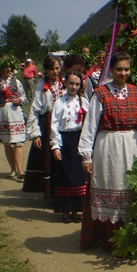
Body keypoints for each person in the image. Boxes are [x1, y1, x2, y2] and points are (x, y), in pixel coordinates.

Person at [78, 51, 137, 251]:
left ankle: (130, 239)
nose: (123, 73)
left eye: (127, 69)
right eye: (119, 69)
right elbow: (90, 125)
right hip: (107, 147)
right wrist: (86, 154)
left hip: (131, 145)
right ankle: (108, 238)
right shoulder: (100, 93)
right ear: (111, 70)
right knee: (110, 183)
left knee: (129, 188)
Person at [50, 70, 89, 224]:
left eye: (77, 84)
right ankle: (65, 210)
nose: (74, 87)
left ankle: (76, 210)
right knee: (65, 175)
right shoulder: (59, 102)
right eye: (71, 83)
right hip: (64, 140)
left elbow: (89, 123)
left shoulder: (84, 102)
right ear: (65, 83)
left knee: (79, 176)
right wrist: (56, 146)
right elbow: (54, 124)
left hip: (79, 139)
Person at [23, 54, 63, 200]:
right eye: (51, 69)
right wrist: (35, 133)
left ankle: (62, 192)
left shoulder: (64, 83)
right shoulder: (41, 86)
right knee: (49, 159)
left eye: (57, 68)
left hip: (63, 124)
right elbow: (34, 110)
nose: (55, 72)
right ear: (46, 70)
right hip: (47, 124)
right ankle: (50, 193)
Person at [0, 56, 27, 179]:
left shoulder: (16, 82)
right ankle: (13, 169)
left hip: (15, 113)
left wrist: (19, 99)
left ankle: (20, 171)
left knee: (18, 142)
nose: (8, 70)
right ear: (0, 70)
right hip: (2, 113)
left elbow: (24, 97)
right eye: (5, 68)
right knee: (8, 143)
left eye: (9, 67)